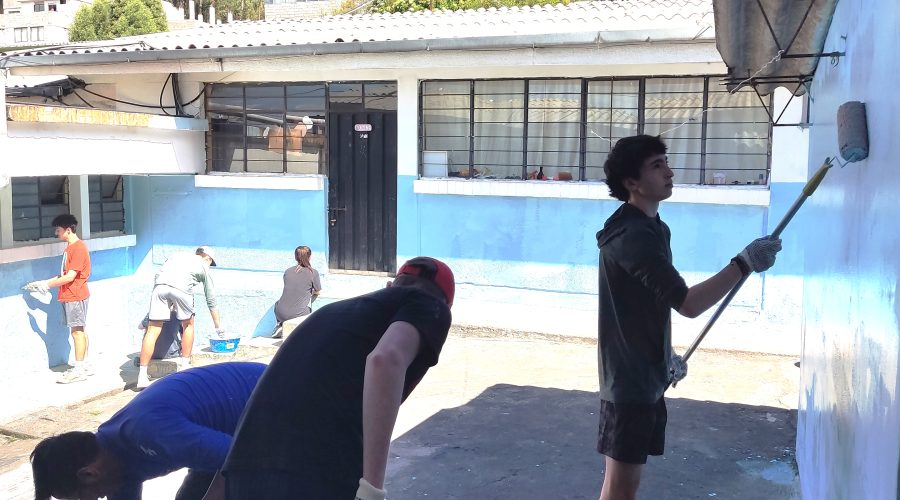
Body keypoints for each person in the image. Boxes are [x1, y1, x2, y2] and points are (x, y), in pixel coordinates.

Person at [594, 135, 783, 500]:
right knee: (621, 486)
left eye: (665, 162)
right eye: (656, 166)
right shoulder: (633, 236)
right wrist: (743, 264)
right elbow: (688, 304)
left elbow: (650, 305)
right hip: (629, 381)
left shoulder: (653, 228)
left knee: (624, 484)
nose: (669, 171)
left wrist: (665, 358)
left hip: (644, 371)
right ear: (632, 184)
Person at [214, 256, 455, 500]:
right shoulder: (430, 306)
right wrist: (371, 491)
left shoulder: (331, 314)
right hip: (313, 474)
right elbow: (385, 360)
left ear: (390, 286)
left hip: (244, 473)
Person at [30, 362, 266, 500]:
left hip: (283, 401)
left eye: (83, 498)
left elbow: (239, 459)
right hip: (228, 438)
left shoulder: (149, 433)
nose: (97, 499)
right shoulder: (113, 464)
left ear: (89, 474)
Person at [137, 246, 223, 389]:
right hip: (182, 290)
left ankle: (142, 376)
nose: (210, 266)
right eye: (211, 263)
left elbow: (160, 273)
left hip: (160, 287)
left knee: (152, 329)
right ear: (207, 258)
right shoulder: (203, 266)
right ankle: (184, 367)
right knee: (188, 325)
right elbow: (211, 299)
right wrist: (218, 327)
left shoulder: (177, 255)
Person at [25, 214, 93, 384]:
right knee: (80, 331)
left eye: (58, 229)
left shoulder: (77, 248)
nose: (56, 233)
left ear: (68, 230)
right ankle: (84, 365)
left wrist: (47, 285)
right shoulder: (70, 248)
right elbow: (64, 274)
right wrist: (45, 282)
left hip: (75, 295)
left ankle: (79, 370)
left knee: (77, 332)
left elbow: (70, 277)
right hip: (72, 295)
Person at [272, 245, 322, 338]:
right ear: (310, 257)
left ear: (295, 257)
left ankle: (280, 324)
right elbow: (318, 290)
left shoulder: (287, 271)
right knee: (311, 312)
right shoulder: (313, 272)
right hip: (297, 315)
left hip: (280, 313)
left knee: (277, 303)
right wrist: (311, 292)